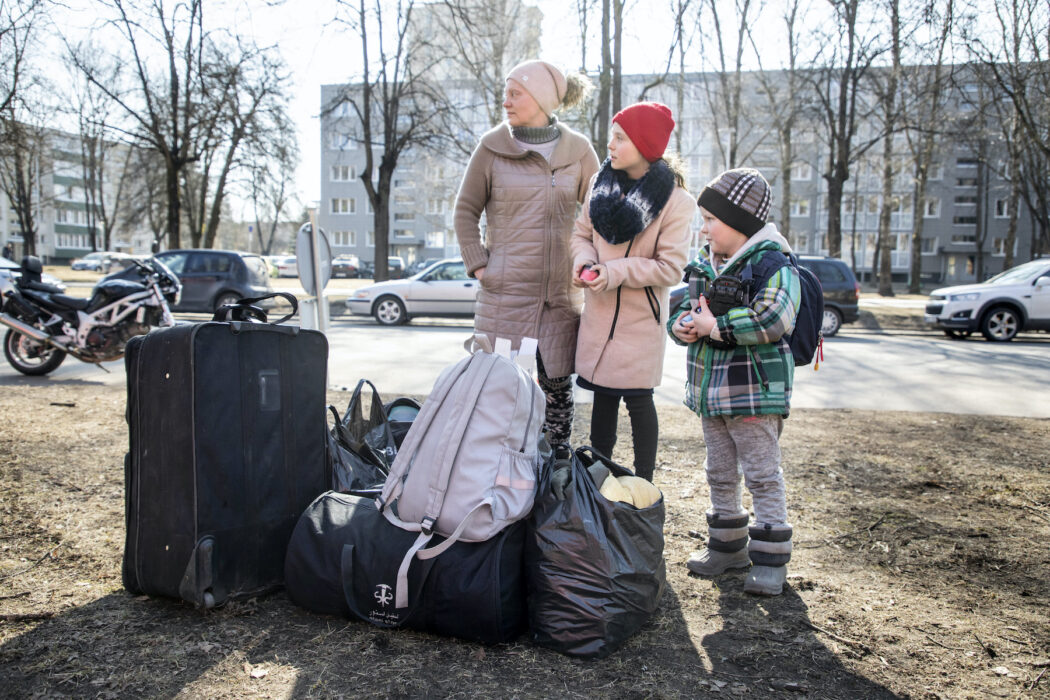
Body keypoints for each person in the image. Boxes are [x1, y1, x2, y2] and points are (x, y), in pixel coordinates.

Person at [667, 168, 800, 596]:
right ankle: (727, 547)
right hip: (712, 394)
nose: (703, 228)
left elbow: (774, 318)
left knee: (762, 474)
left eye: (711, 220)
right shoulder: (703, 264)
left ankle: (770, 559)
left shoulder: (771, 264)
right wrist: (683, 325)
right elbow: (679, 310)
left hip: (754, 394)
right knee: (719, 471)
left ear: (740, 222)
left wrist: (715, 327)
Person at [454, 60, 600, 445]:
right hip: (505, 298)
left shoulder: (579, 151)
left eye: (515, 93)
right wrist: (481, 265)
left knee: (556, 404)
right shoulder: (491, 148)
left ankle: (553, 484)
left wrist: (590, 264)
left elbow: (599, 215)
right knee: (499, 402)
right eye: (507, 93)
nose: (506, 102)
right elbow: (465, 210)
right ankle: (497, 489)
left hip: (558, 302)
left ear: (540, 98)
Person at [570, 102, 695, 482]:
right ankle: (598, 481)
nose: (610, 145)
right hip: (599, 315)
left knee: (639, 403)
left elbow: (670, 268)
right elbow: (581, 234)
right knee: (602, 401)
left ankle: (645, 486)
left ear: (644, 145)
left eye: (620, 138)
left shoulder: (677, 202)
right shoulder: (599, 184)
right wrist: (583, 262)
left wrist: (610, 272)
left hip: (641, 323)